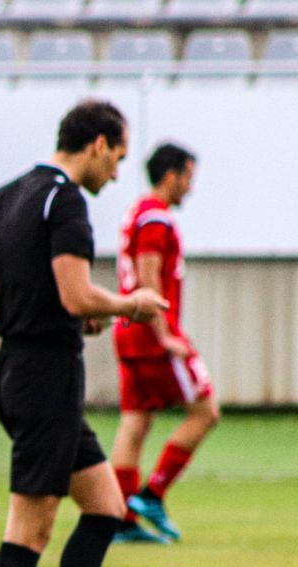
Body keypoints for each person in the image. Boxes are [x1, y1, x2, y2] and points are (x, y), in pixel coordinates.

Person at [0, 99, 168, 567]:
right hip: (45, 378)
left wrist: (41, 312)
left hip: (15, 372)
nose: (115, 174)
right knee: (29, 532)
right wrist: (131, 304)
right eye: (118, 157)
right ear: (97, 145)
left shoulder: (5, 196)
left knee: (106, 509)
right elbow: (77, 296)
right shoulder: (65, 200)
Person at [110, 143, 219, 544]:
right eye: (188, 177)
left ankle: (122, 519)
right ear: (171, 175)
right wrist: (166, 335)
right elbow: (148, 275)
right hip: (151, 332)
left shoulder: (136, 212)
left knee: (135, 423)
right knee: (206, 411)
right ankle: (152, 494)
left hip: (127, 331)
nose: (190, 187)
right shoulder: (156, 218)